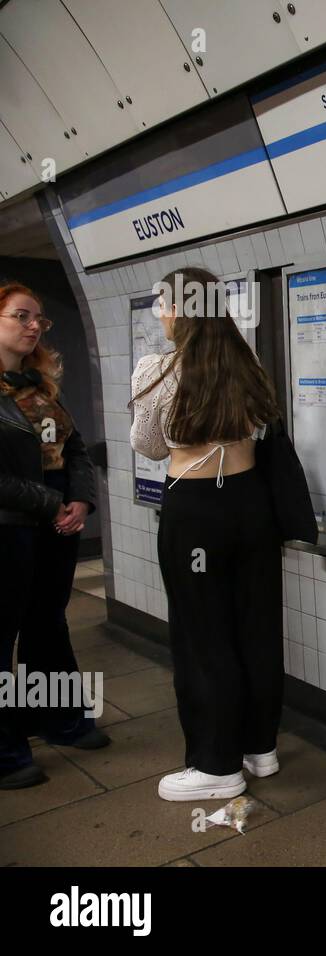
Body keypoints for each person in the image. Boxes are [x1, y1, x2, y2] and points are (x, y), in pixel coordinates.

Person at [130, 266, 285, 801]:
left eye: (162, 304)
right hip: (251, 504)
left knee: (202, 635)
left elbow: (149, 445)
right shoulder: (249, 365)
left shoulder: (156, 369)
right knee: (255, 625)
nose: (160, 314)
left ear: (179, 309)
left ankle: (216, 767)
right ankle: (258, 748)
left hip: (195, 508)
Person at [0, 282, 108, 790]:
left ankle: (59, 719)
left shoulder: (41, 385)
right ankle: (5, 750)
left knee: (47, 622)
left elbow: (77, 449)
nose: (33, 326)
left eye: (39, 319)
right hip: (11, 525)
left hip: (57, 522)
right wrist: (52, 504)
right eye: (22, 316)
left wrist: (82, 501)